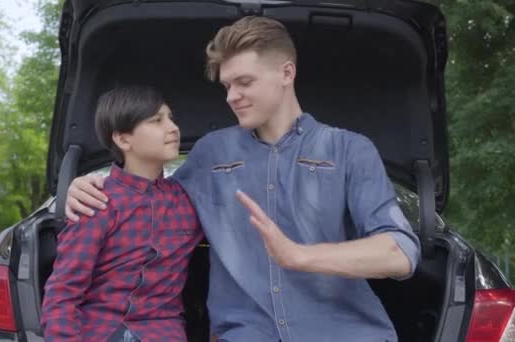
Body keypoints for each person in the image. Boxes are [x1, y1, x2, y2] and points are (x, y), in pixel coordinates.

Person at [65, 17, 421, 342]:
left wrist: (299, 256)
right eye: (226, 85)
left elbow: (400, 252)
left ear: (286, 73)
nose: (232, 96)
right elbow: (149, 201)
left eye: (244, 82)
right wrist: (83, 189)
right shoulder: (210, 155)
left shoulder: (349, 150)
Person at [41, 84, 203, 342]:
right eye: (156, 120)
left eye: (171, 118)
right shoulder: (97, 202)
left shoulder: (188, 202)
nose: (173, 127)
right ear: (123, 139)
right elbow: (63, 293)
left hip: (161, 332)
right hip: (102, 331)